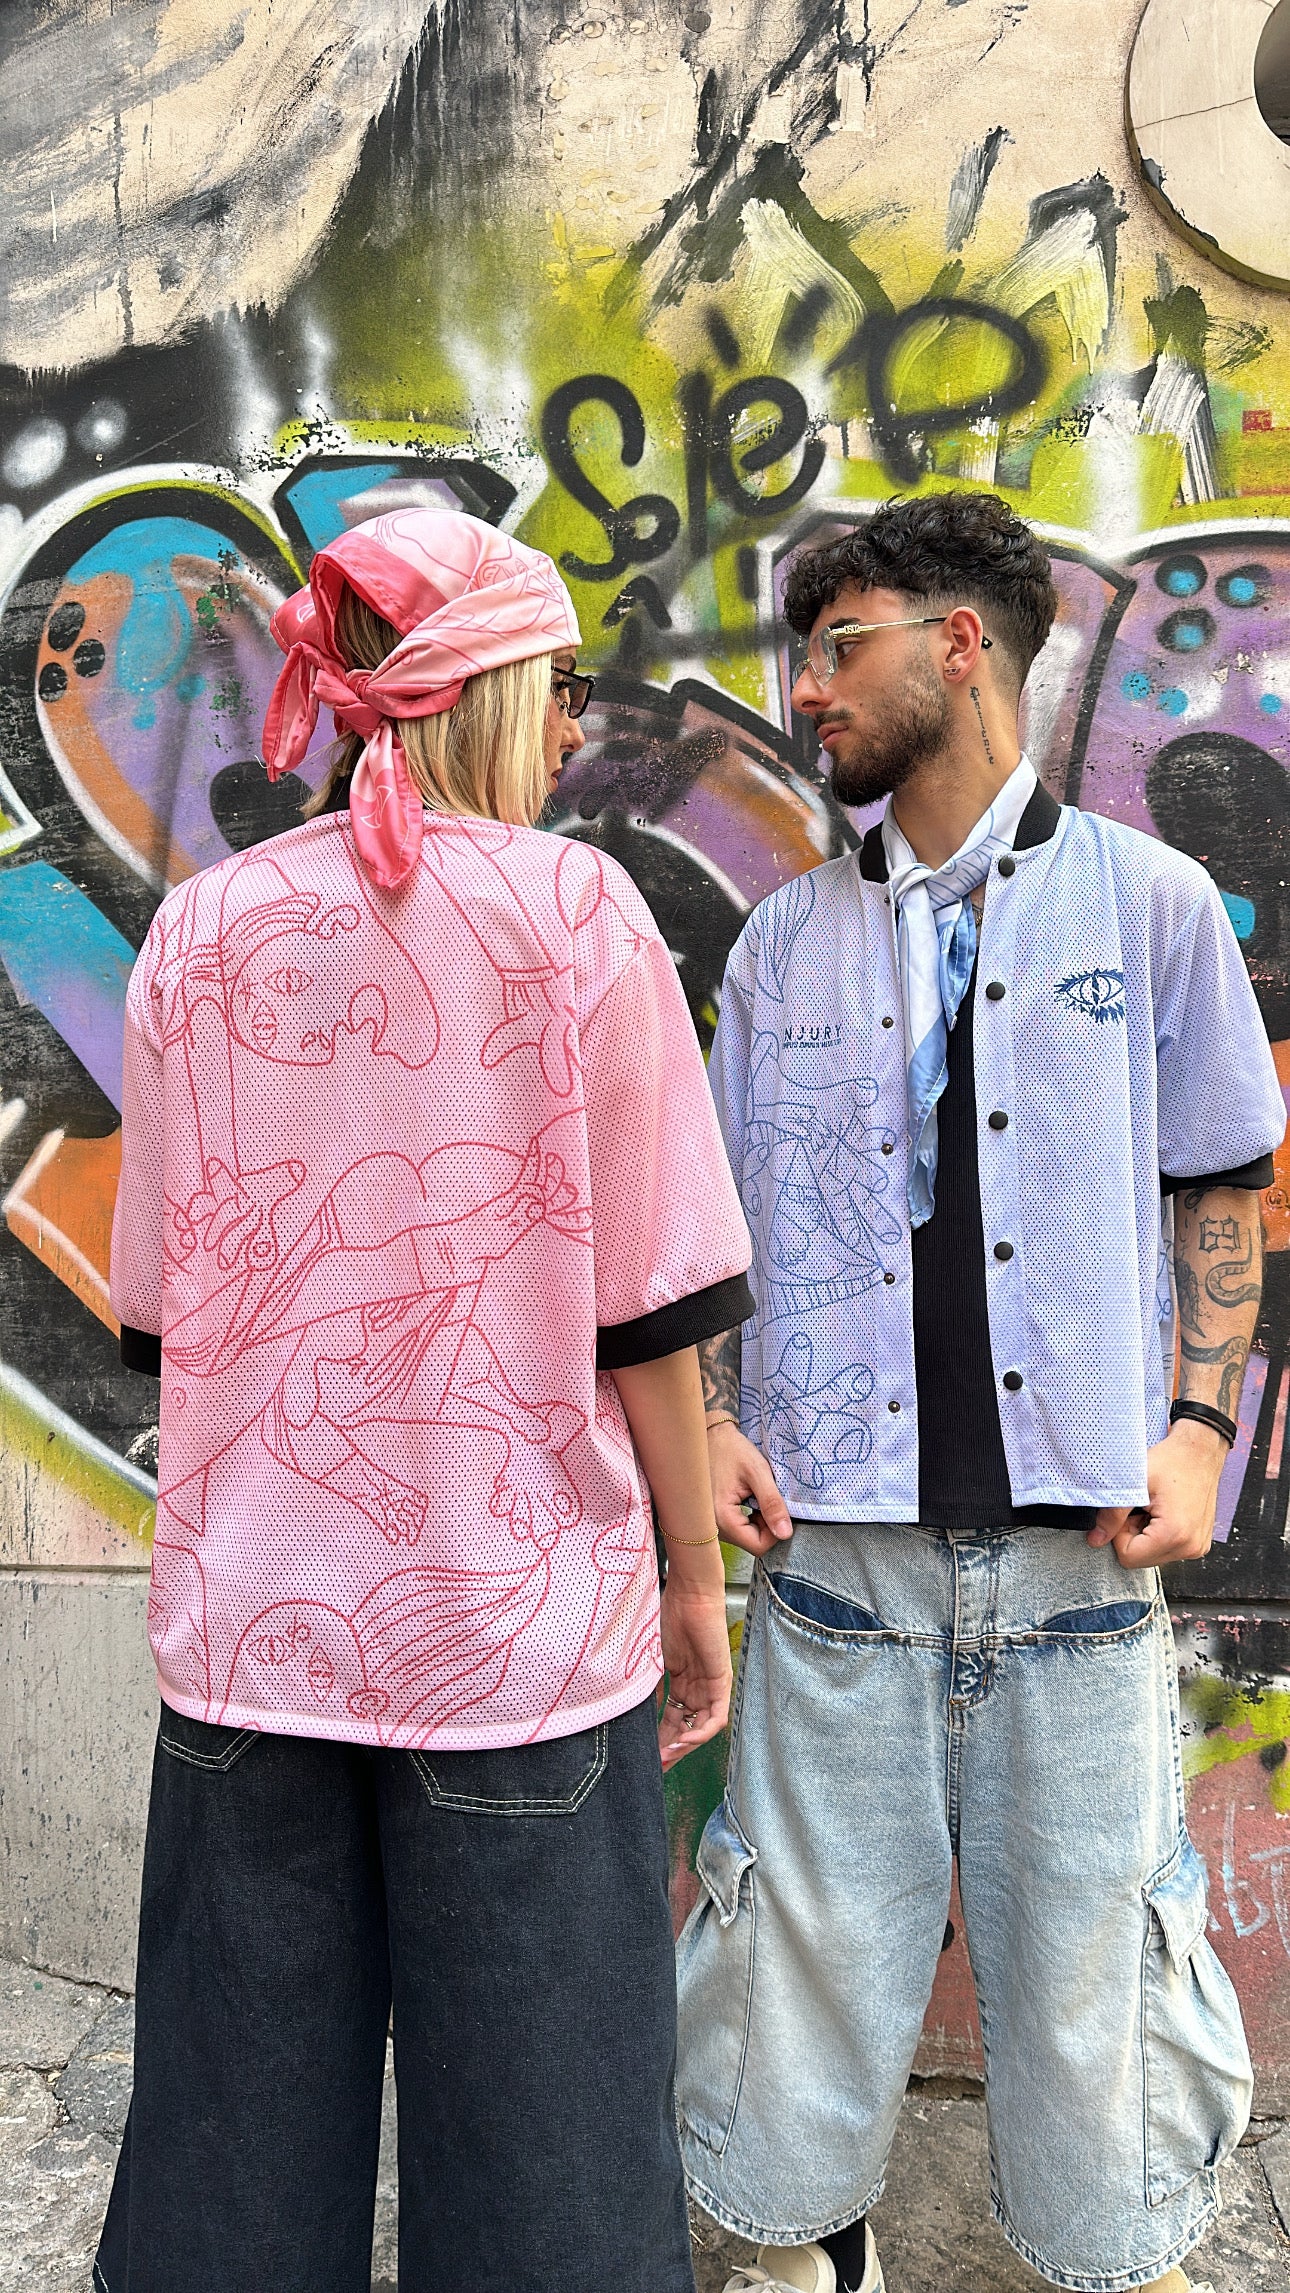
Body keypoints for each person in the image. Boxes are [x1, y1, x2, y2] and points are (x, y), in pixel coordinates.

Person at [98, 507, 753, 2293]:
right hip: (517, 1646)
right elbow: (651, 1307)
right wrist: (693, 1574)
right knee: (550, 2169)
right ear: (490, 688)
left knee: (232, 2155)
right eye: (560, 687)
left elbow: (164, 1315)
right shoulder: (577, 914)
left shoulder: (198, 929)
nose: (571, 728)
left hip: (251, 1640)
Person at [675, 491, 1283, 2293]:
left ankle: (1113, 2254)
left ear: (959, 644)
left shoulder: (1147, 907)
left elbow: (1221, 1179)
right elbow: (711, 1222)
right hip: (833, 1562)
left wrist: (1198, 1427)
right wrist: (712, 1413)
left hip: (1077, 1562)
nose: (804, 687)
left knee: (1094, 1958)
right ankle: (802, 2246)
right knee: (799, 1943)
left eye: (837, 644)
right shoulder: (780, 945)